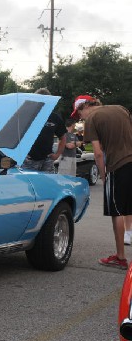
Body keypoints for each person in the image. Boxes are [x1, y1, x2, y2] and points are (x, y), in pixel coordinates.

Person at [71, 94, 132, 269]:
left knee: (117, 211)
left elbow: (97, 153)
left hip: (117, 165)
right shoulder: (121, 108)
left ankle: (120, 257)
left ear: (84, 107)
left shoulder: (93, 119)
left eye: (79, 114)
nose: (80, 118)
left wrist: (104, 175)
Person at [21, 88, 67, 173]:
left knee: (48, 184)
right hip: (29, 160)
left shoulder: (54, 117)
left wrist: (57, 154)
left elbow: (63, 137)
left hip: (47, 159)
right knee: (29, 184)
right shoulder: (26, 115)